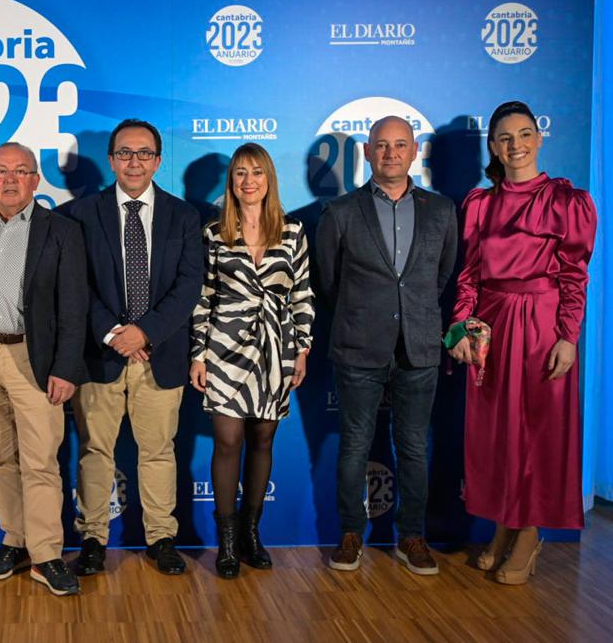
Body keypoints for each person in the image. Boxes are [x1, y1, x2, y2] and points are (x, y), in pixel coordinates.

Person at [447, 100, 596, 585]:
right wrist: (461, 328)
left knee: (536, 431)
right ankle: (504, 527)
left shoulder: (565, 200)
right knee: (497, 433)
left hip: (542, 325)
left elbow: (575, 274)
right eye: (505, 138)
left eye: (525, 134)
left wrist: (568, 338)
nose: (516, 145)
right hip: (492, 325)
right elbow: (468, 276)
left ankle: (529, 534)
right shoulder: (479, 204)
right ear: (493, 146)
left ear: (539, 138)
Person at [315, 116, 458, 576]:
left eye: (400, 145)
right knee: (354, 444)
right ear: (367, 152)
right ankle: (351, 533)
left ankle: (411, 535)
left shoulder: (441, 211)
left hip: (419, 348)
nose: (391, 153)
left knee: (414, 446)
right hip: (358, 347)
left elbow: (441, 277)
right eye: (381, 145)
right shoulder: (339, 212)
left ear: (415, 151)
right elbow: (328, 284)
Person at [58, 119, 202, 577]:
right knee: (95, 452)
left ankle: (161, 538)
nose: (134, 162)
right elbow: (76, 285)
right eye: (125, 153)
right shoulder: (80, 215)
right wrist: (115, 333)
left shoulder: (185, 216)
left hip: (160, 355)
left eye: (143, 153)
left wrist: (145, 333)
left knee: (158, 451)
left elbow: (188, 285)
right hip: (100, 356)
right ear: (111, 159)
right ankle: (93, 539)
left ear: (158, 161)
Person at [0, 142, 87, 596]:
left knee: (40, 463)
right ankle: (15, 540)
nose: (10, 179)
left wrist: (66, 367)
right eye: (0, 171)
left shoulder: (61, 231)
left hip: (34, 358)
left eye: (20, 171)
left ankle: (47, 554)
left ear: (35, 180)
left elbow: (74, 307)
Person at [190, 143, 314, 578]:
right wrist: (198, 355)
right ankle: (226, 543)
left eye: (257, 172)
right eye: (240, 173)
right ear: (231, 182)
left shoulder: (294, 232)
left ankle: (251, 534)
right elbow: (203, 298)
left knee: (263, 440)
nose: (248, 181)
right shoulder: (213, 233)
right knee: (228, 442)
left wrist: (302, 348)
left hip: (276, 350)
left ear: (269, 180)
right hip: (224, 349)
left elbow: (301, 295)